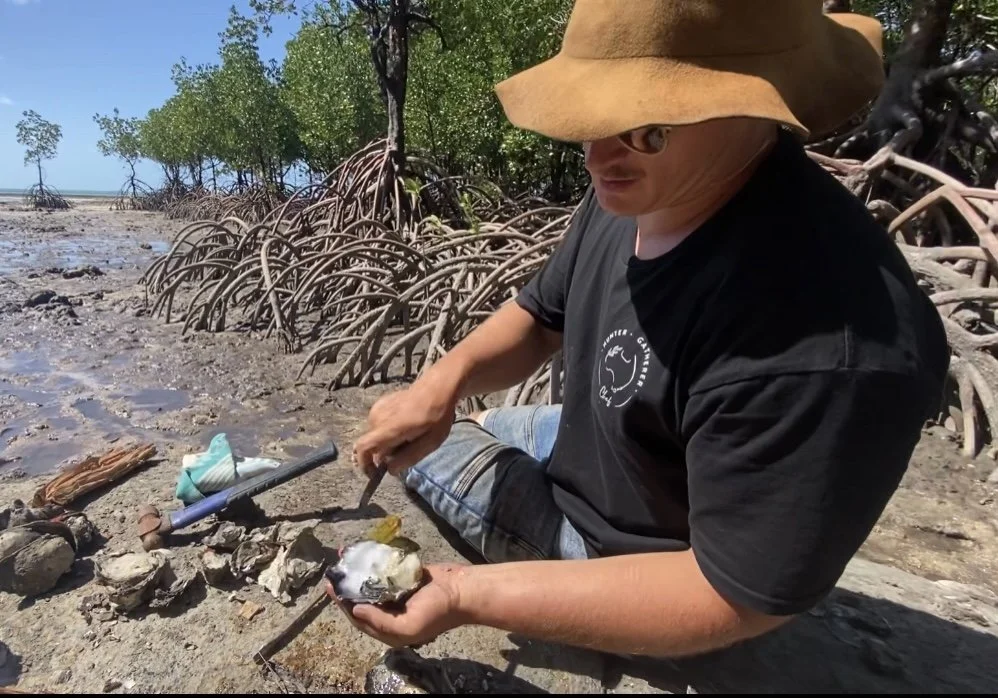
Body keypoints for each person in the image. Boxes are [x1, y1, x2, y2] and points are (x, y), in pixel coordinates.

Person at [328, 0, 952, 659]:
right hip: (626, 448)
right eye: (589, 120)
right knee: (439, 417)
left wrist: (460, 594)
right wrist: (442, 382)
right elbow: (541, 318)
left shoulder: (823, 342)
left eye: (645, 128)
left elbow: (728, 597)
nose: (599, 157)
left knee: (433, 451)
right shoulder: (642, 186)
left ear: (756, 104)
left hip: (634, 557)